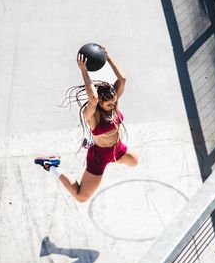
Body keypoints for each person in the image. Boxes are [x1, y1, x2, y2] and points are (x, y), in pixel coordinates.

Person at [34, 47, 138, 202]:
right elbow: (93, 98)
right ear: (101, 103)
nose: (113, 106)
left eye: (114, 102)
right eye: (109, 104)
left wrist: (108, 57)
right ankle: (52, 166)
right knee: (81, 196)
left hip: (117, 148)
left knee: (134, 163)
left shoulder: (113, 102)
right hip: (99, 156)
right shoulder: (92, 115)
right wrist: (84, 71)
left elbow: (122, 79)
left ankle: (92, 144)